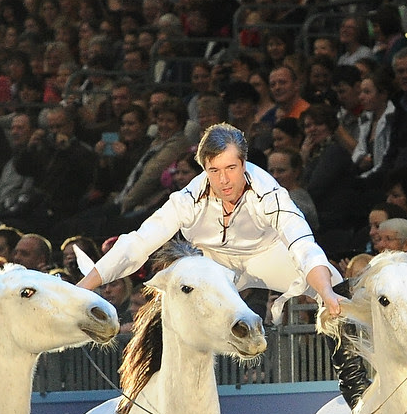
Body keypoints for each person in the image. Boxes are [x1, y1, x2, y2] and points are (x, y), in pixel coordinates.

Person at [78, 123, 351, 389]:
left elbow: (301, 242)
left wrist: (326, 292)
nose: (223, 180)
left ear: (244, 164)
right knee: (180, 286)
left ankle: (352, 382)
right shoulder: (186, 200)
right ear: (205, 168)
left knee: (335, 281)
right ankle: (151, 384)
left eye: (231, 168)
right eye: (214, 170)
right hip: (213, 265)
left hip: (266, 256)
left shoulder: (270, 193)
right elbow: (136, 244)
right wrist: (82, 289)